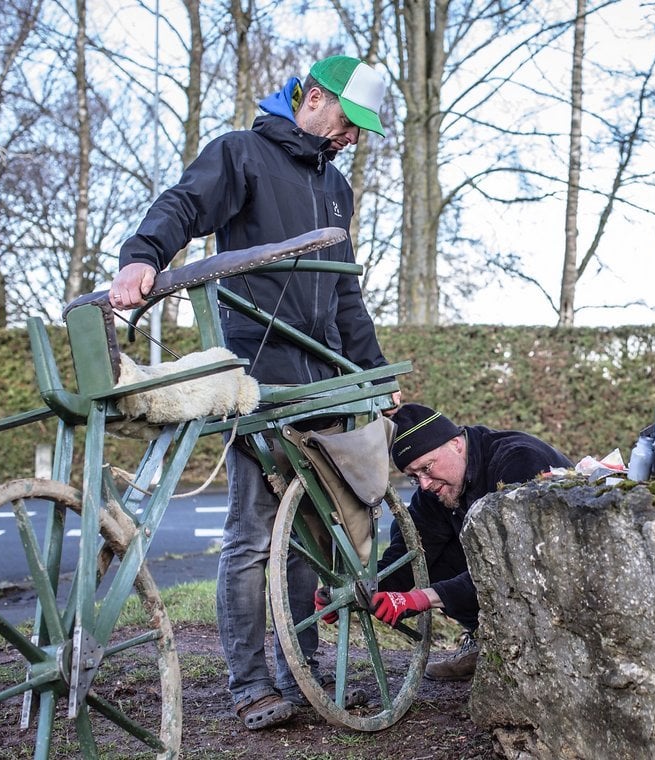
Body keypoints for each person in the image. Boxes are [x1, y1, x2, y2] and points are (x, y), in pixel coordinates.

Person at [108, 55, 400, 730]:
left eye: (362, 129)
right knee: (251, 534)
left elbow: (345, 288)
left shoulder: (337, 189)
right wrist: (143, 254)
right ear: (315, 101)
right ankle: (249, 686)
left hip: (322, 375)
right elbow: (184, 203)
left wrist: (374, 371)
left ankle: (302, 670)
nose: (353, 138)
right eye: (349, 122)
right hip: (257, 371)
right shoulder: (241, 154)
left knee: (307, 534)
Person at [368, 403, 572, 681]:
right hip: (501, 574)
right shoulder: (436, 489)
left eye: (427, 468)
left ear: (455, 444)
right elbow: (409, 554)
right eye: (414, 477)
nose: (425, 484)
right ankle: (487, 639)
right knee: (424, 547)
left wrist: (423, 598)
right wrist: (366, 591)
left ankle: (525, 644)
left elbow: (515, 563)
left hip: (556, 583)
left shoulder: (519, 461)